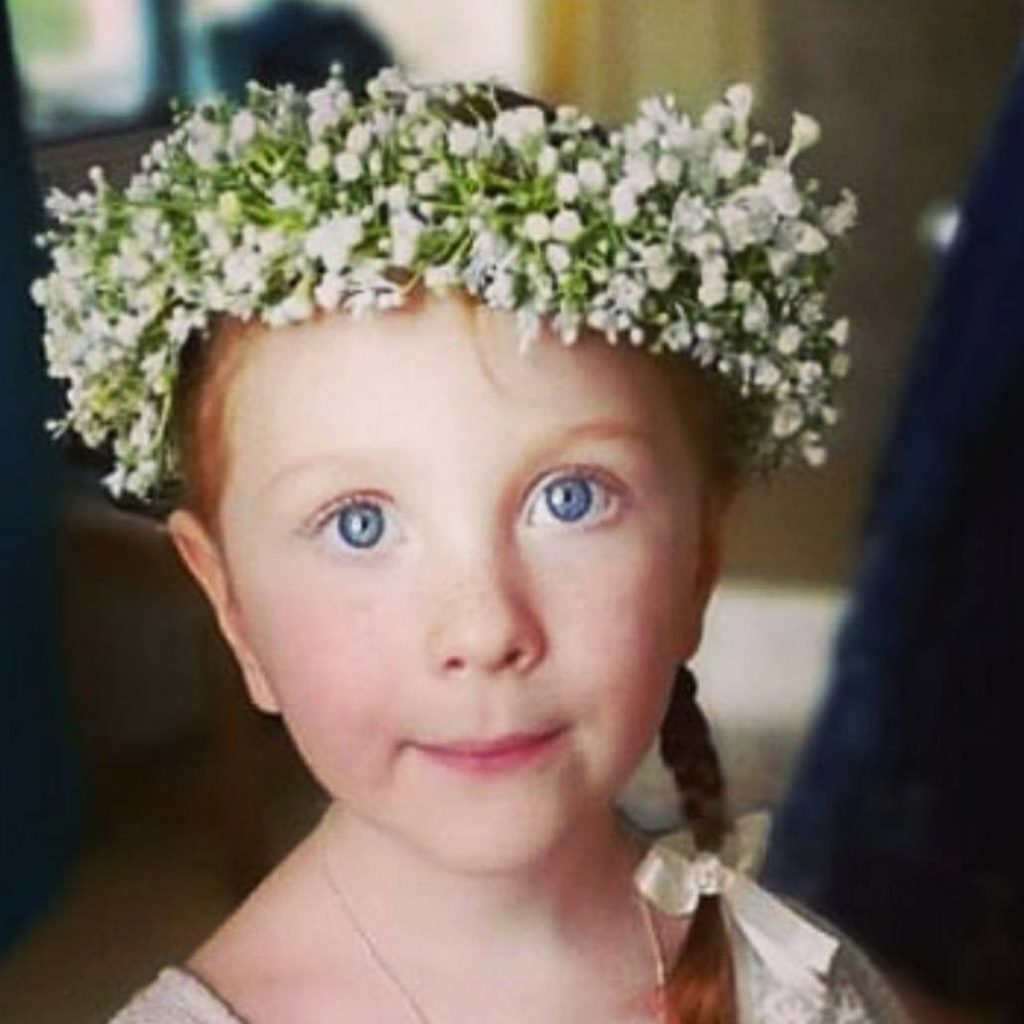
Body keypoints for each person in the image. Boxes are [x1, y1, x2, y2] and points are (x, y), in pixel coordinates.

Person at [31, 67, 905, 1024]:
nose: (485, 628)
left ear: (700, 557)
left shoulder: (802, 983)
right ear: (233, 607)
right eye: (359, 523)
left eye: (570, 499)